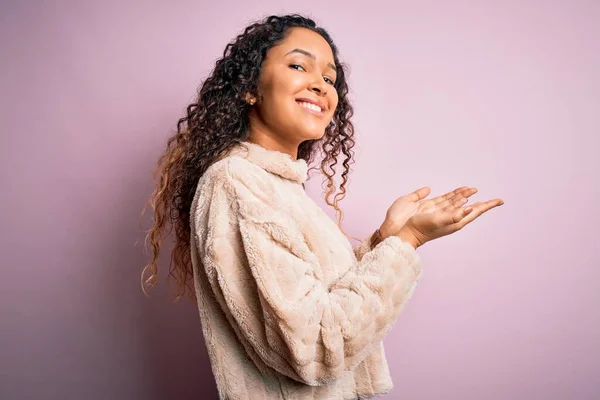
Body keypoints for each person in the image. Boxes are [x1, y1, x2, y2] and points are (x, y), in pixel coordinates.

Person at [141, 13, 504, 400]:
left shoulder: (278, 188)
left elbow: (326, 300)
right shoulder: (237, 182)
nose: (320, 85)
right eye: (299, 66)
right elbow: (312, 350)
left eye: (330, 79)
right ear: (250, 88)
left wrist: (387, 238)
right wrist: (409, 240)